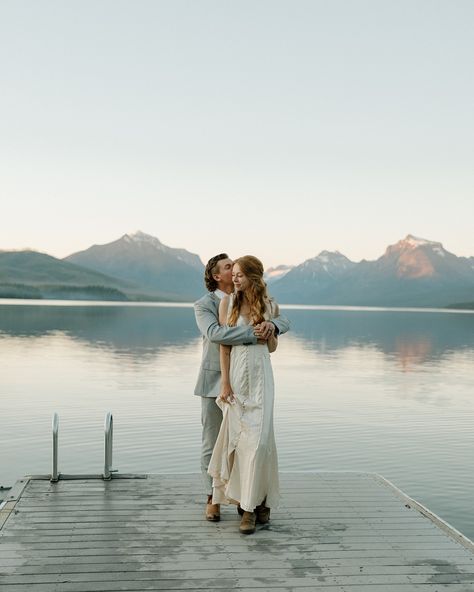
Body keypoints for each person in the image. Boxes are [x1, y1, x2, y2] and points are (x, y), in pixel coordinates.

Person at [194, 253, 289, 522]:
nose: (233, 272)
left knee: (248, 441)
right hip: (216, 378)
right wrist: (255, 333)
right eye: (228, 268)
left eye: (237, 270)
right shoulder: (205, 305)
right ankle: (212, 496)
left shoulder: (252, 299)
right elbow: (215, 335)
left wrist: (274, 325)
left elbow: (280, 319)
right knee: (214, 443)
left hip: (249, 379)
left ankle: (246, 496)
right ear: (217, 276)